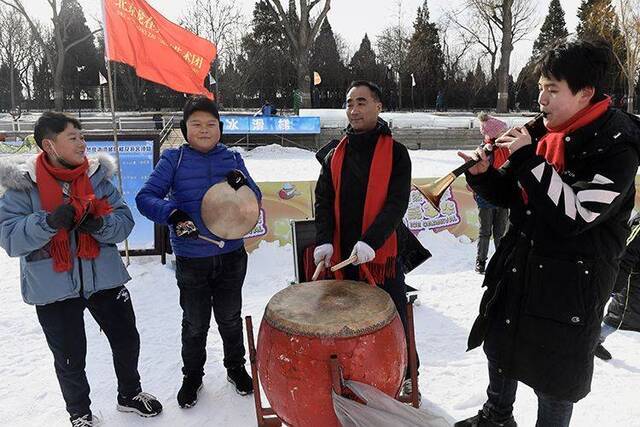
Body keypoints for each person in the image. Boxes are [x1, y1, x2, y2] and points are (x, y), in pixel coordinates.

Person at [455, 40, 640, 427]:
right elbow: (515, 195)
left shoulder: (618, 145)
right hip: (522, 261)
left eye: (552, 90)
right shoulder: (545, 129)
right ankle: (496, 416)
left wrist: (527, 159)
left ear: (585, 93)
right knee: (502, 344)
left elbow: (577, 214)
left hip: (572, 282)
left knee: (555, 374)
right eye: (540, 87)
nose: (541, 99)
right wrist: (485, 176)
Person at [0, 112, 163, 427]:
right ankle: (80, 414)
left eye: (82, 136)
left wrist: (100, 224)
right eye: (72, 137)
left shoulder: (97, 178)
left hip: (104, 277)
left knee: (127, 339)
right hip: (53, 286)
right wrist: (47, 222)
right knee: (70, 356)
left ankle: (129, 394)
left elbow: (124, 221)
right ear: (50, 144)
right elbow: (10, 238)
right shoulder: (23, 185)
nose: (82, 142)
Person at [136, 96, 262, 409]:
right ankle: (192, 375)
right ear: (185, 128)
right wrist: (173, 214)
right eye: (196, 124)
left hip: (232, 254)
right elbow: (145, 197)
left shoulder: (232, 158)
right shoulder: (173, 159)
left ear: (220, 128)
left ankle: (235, 368)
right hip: (192, 258)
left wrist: (243, 183)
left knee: (231, 318)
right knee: (194, 322)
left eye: (211, 124)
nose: (204, 130)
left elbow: (255, 196)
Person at [313, 80, 418, 398]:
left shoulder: (397, 154)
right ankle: (358, 374)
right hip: (343, 254)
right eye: (349, 103)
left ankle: (407, 373)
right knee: (347, 321)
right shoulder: (334, 153)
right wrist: (324, 241)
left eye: (361, 102)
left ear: (378, 106)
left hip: (380, 254)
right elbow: (323, 199)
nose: (354, 109)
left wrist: (371, 242)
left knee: (394, 316)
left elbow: (396, 204)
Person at [595, 213, 640, 361]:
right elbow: (627, 251)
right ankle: (594, 340)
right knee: (621, 315)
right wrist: (618, 280)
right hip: (633, 276)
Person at [472, 113, 510, 274]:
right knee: (485, 232)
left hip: (503, 197)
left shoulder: (506, 149)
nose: (505, 133)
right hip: (486, 198)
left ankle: (502, 260)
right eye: (502, 131)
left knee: (500, 232)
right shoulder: (484, 151)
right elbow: (477, 175)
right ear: (494, 135)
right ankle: (481, 261)